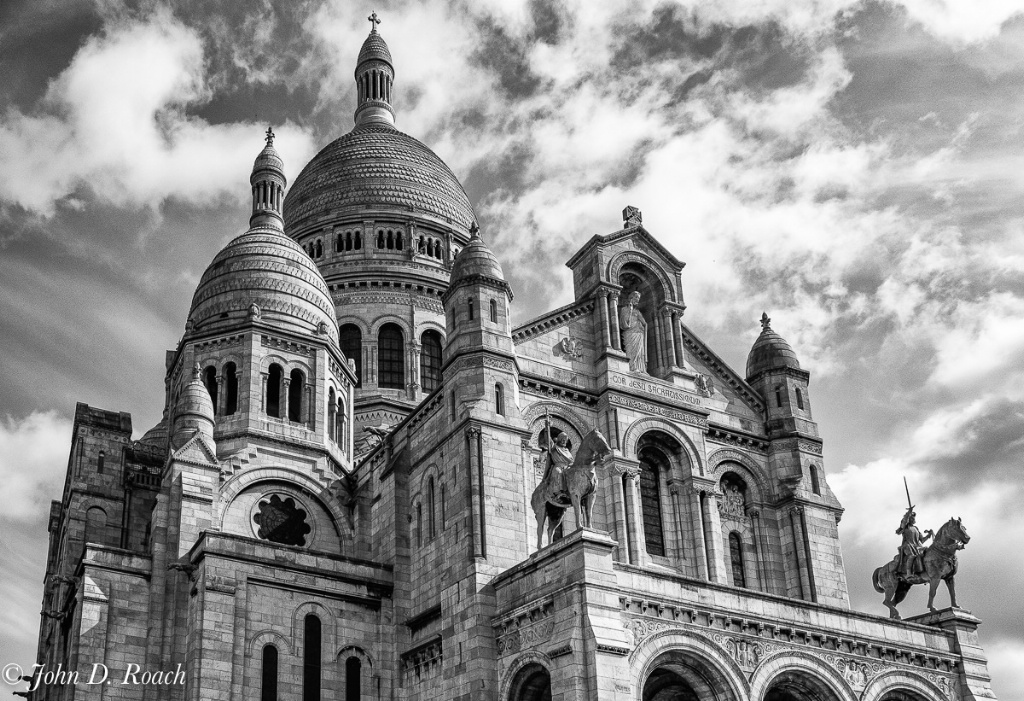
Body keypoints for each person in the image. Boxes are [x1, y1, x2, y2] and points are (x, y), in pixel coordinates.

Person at [542, 416, 574, 503]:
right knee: (558, 472)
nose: (564, 441)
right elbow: (548, 439)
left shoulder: (567, 450)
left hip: (567, 467)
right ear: (559, 440)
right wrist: (547, 427)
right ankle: (558, 493)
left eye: (565, 440)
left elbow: (571, 461)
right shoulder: (554, 447)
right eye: (562, 440)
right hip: (558, 466)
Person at [896, 508, 932, 579]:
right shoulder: (905, 527)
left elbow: (921, 540)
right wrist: (908, 512)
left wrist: (928, 535)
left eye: (913, 518)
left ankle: (925, 570)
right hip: (908, 546)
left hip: (917, 546)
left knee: (927, 551)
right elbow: (904, 521)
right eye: (911, 518)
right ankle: (909, 572)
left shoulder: (916, 528)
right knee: (911, 556)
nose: (913, 519)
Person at [619, 290, 648, 373]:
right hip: (629, 333)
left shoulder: (637, 312)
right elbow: (624, 322)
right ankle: (632, 367)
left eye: (638, 298)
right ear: (631, 298)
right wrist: (630, 309)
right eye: (636, 297)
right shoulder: (624, 309)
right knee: (630, 350)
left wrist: (643, 326)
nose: (637, 300)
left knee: (638, 352)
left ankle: (640, 368)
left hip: (638, 333)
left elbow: (644, 323)